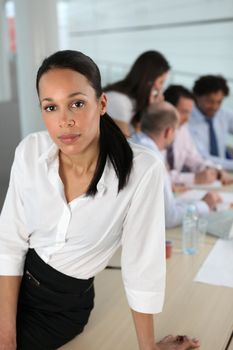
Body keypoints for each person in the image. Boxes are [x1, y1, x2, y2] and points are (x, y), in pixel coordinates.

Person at [0, 50, 200, 350]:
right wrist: (6, 339)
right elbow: (10, 243)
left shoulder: (142, 169)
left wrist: (148, 348)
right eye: (51, 107)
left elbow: (141, 266)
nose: (64, 120)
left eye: (77, 104)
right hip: (10, 283)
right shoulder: (30, 150)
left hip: (58, 309)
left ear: (102, 103)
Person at [131, 101, 222, 228]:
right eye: (176, 130)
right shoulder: (153, 159)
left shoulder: (132, 143)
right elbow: (169, 218)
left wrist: (196, 203)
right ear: (168, 131)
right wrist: (205, 205)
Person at [164, 85, 231, 187]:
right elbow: (161, 176)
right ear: (167, 108)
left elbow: (195, 159)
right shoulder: (155, 133)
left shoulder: (182, 129)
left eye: (189, 113)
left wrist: (216, 171)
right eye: (184, 112)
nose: (187, 118)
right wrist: (194, 178)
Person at [104, 50, 170, 136]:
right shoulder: (119, 101)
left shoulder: (134, 104)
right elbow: (124, 145)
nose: (161, 89)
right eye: (161, 82)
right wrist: (152, 111)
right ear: (149, 81)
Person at [189, 75, 233, 170]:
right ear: (196, 97)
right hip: (199, 173)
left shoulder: (223, 114)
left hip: (223, 173)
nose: (215, 107)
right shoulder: (187, 121)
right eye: (209, 101)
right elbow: (203, 158)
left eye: (219, 102)